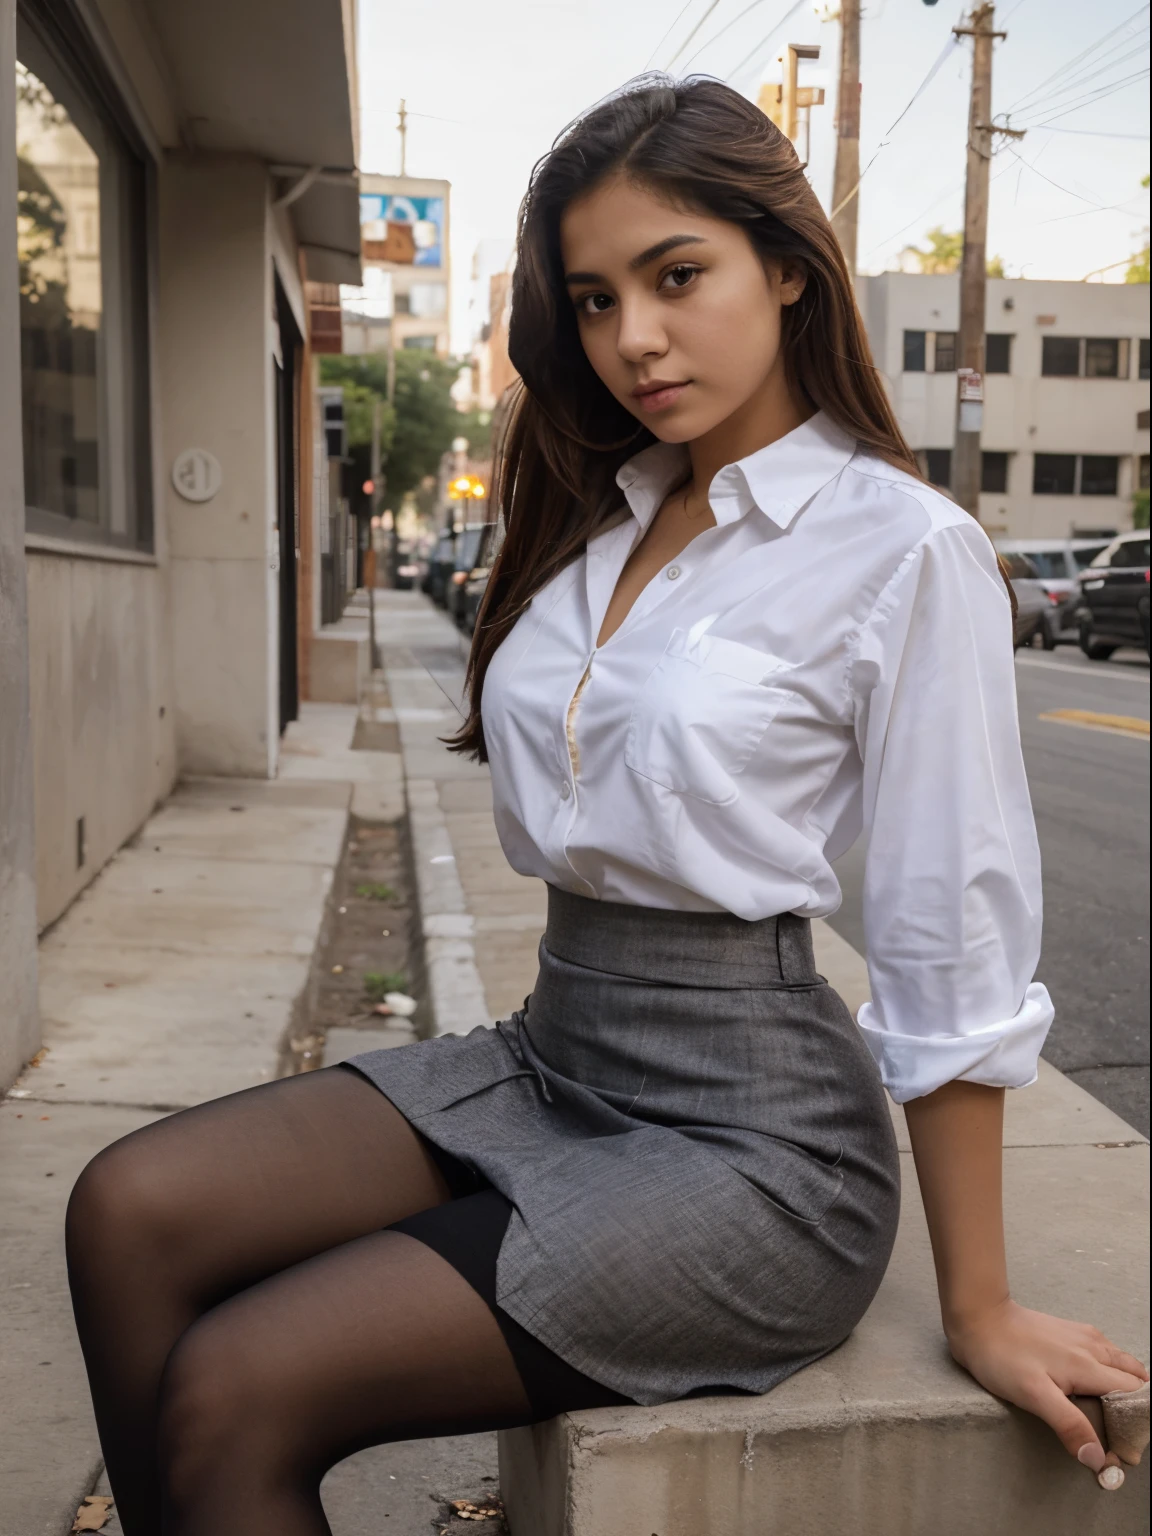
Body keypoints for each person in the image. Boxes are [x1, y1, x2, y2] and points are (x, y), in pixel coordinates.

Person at [66, 77, 1146, 1534]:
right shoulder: (602, 517)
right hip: (553, 1053)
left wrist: (984, 1302)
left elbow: (946, 929)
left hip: (756, 1149)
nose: (632, 337)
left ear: (786, 264)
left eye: (676, 276)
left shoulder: (903, 549)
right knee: (128, 1214)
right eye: (591, 300)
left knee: (241, 1383)